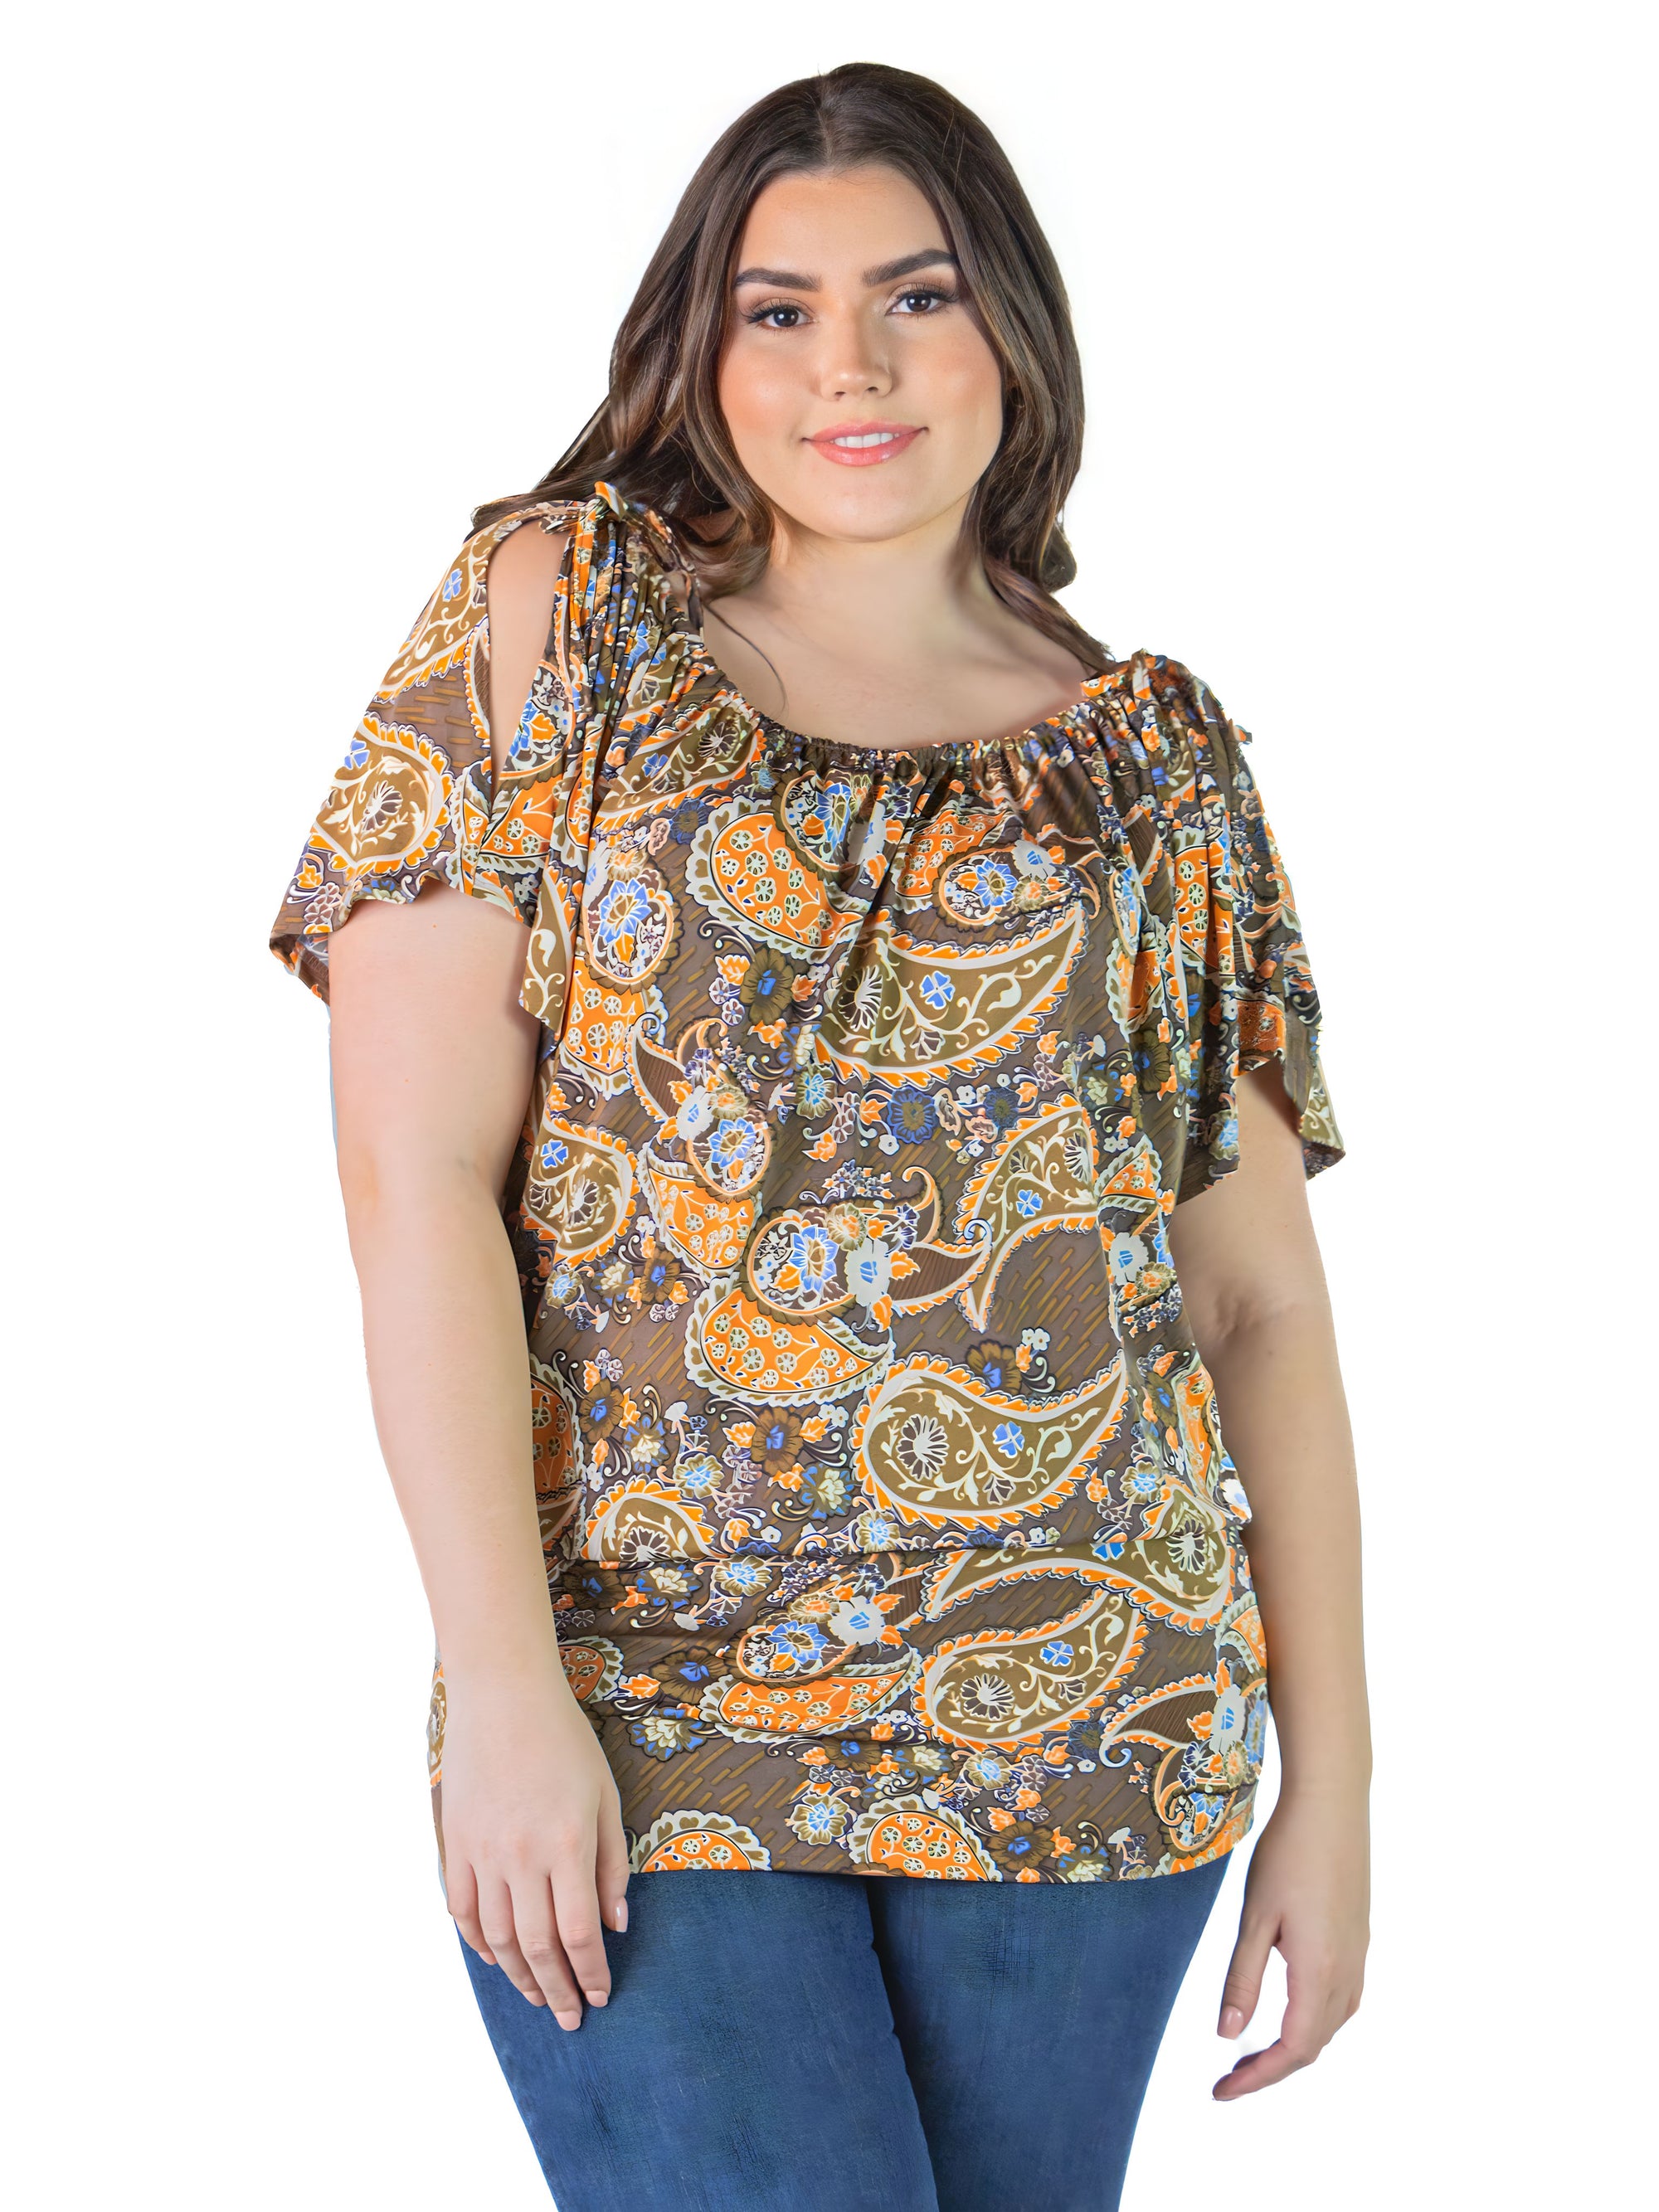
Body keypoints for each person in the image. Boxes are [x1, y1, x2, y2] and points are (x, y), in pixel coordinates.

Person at [269, 60, 1370, 2212]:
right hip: (648, 1697)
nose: (846, 362)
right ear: (704, 346)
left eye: (913, 296)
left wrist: (1334, 1789)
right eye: (778, 308)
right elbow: (414, 1183)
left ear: (1009, 335)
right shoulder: (555, 620)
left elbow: (1257, 1306)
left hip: (1096, 1724)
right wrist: (503, 1686)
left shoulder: (1154, 765)